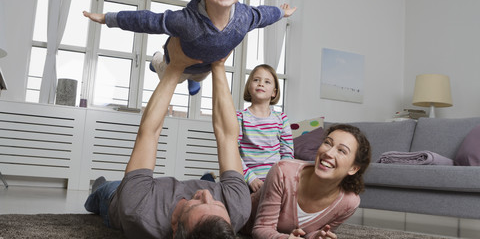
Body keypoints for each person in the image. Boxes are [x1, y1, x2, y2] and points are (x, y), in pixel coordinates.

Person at [84, 37, 251, 239]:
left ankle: (99, 187)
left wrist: (175, 67)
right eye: (217, 204)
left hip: (120, 198)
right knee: (211, 187)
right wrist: (218, 64)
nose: (207, 195)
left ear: (174, 228)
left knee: (107, 190)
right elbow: (227, 135)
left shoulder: (138, 209)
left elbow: (149, 133)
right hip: (151, 191)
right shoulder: (237, 208)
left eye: (197, 203)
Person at [83, 0, 297, 96]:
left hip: (206, 65)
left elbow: (265, 14)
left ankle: (196, 79)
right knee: (173, 77)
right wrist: (107, 18)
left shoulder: (246, 17)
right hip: (178, 61)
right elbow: (148, 20)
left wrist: (282, 12)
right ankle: (156, 60)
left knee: (202, 74)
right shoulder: (185, 20)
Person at [245, 124, 371, 239]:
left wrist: (317, 236)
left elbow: (311, 232)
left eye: (342, 151)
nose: (328, 153)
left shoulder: (349, 203)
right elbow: (260, 229)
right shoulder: (283, 172)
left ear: (353, 168)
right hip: (237, 222)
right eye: (327, 143)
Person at [237, 64, 294, 193]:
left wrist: (281, 179)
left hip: (276, 181)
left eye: (267, 82)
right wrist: (250, 178)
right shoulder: (239, 117)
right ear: (249, 87)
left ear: (274, 92)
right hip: (247, 180)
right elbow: (233, 153)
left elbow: (287, 154)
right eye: (256, 80)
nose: (261, 84)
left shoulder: (281, 119)